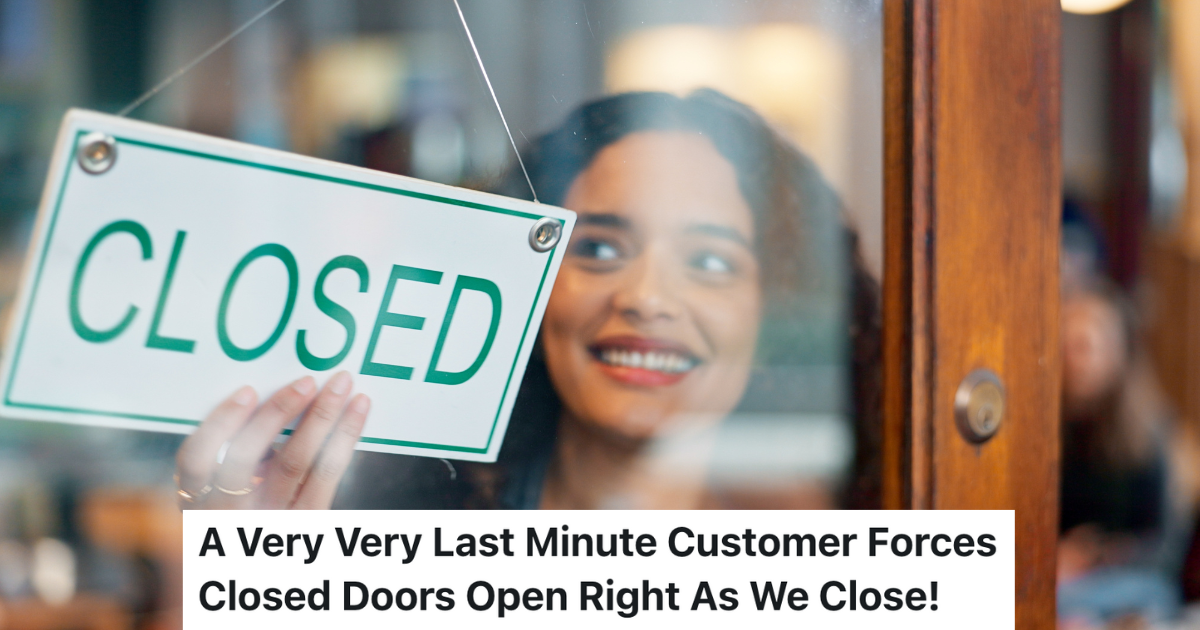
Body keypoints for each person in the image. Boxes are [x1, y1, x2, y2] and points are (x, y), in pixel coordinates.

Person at [172, 89, 880, 511]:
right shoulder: (386, 530)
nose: (647, 298)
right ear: (525, 291)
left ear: (776, 308)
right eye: (599, 248)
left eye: (710, 261)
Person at [1057, 279, 1180, 627]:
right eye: (1064, 346)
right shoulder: (1042, 430)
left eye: (1083, 347)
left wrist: (1102, 555)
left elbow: (1163, 545)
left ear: (1116, 351)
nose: (1074, 360)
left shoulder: (1148, 432)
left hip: (1127, 580)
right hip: (1054, 576)